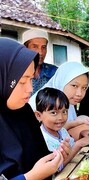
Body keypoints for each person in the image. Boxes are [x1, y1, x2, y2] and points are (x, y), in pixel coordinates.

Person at [0, 38, 68, 179]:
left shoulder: (24, 111)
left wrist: (57, 156)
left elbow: (39, 155)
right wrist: (31, 177)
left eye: (31, 79)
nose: (30, 89)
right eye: (22, 81)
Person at [29, 61, 89, 141]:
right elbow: (46, 134)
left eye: (84, 88)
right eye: (74, 86)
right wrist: (75, 123)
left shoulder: (66, 99)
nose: (79, 93)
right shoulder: (41, 102)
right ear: (62, 81)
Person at [35, 87, 89, 168]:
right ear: (39, 116)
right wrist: (77, 145)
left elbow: (71, 145)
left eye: (64, 111)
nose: (61, 117)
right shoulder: (42, 140)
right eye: (53, 113)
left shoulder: (62, 131)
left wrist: (81, 135)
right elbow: (56, 168)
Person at [22, 29, 58, 95]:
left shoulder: (54, 72)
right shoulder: (15, 72)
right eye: (35, 47)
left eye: (43, 47)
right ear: (25, 49)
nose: (40, 52)